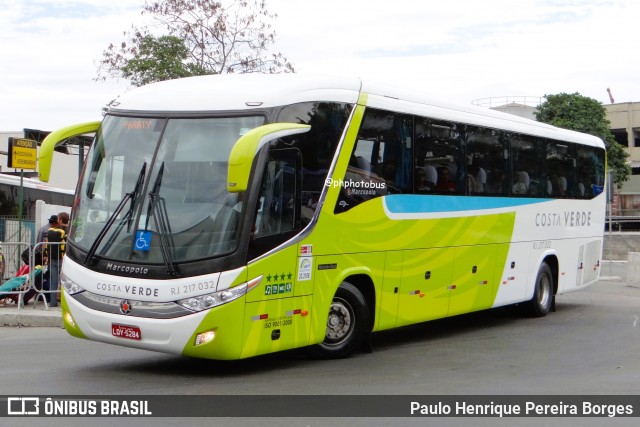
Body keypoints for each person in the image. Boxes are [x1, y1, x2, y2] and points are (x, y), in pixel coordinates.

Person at [45, 215, 67, 307]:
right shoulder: (63, 231)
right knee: (64, 282)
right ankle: (65, 302)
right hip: (62, 259)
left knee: (53, 281)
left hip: (52, 259)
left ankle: (53, 303)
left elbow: (46, 245)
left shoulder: (49, 232)